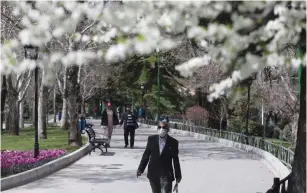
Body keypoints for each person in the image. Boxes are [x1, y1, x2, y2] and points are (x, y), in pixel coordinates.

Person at [137, 121, 182, 193]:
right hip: (153, 173)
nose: (161, 129)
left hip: (167, 174)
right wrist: (140, 169)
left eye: (164, 127)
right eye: (159, 127)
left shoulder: (173, 142)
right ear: (157, 128)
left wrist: (178, 175)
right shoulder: (151, 139)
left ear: (167, 129)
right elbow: (146, 155)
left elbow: (176, 160)